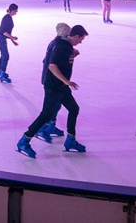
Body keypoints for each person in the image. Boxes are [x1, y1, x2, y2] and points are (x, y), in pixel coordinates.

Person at [17, 25, 89, 158]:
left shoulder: (64, 45)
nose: (81, 42)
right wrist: (66, 81)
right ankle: (24, 141)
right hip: (54, 86)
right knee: (46, 115)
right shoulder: (62, 46)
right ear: (77, 36)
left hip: (61, 87)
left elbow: (55, 60)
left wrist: (72, 55)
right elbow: (52, 65)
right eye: (81, 39)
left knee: (74, 109)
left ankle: (70, 141)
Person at [0, 4, 19, 83]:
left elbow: (8, 32)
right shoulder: (6, 18)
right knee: (6, 55)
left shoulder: (9, 17)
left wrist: (13, 41)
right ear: (12, 10)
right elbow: (4, 32)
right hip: (0, 37)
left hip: (1, 37)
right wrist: (12, 37)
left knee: (3, 55)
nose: (16, 12)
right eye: (16, 10)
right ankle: (2, 74)